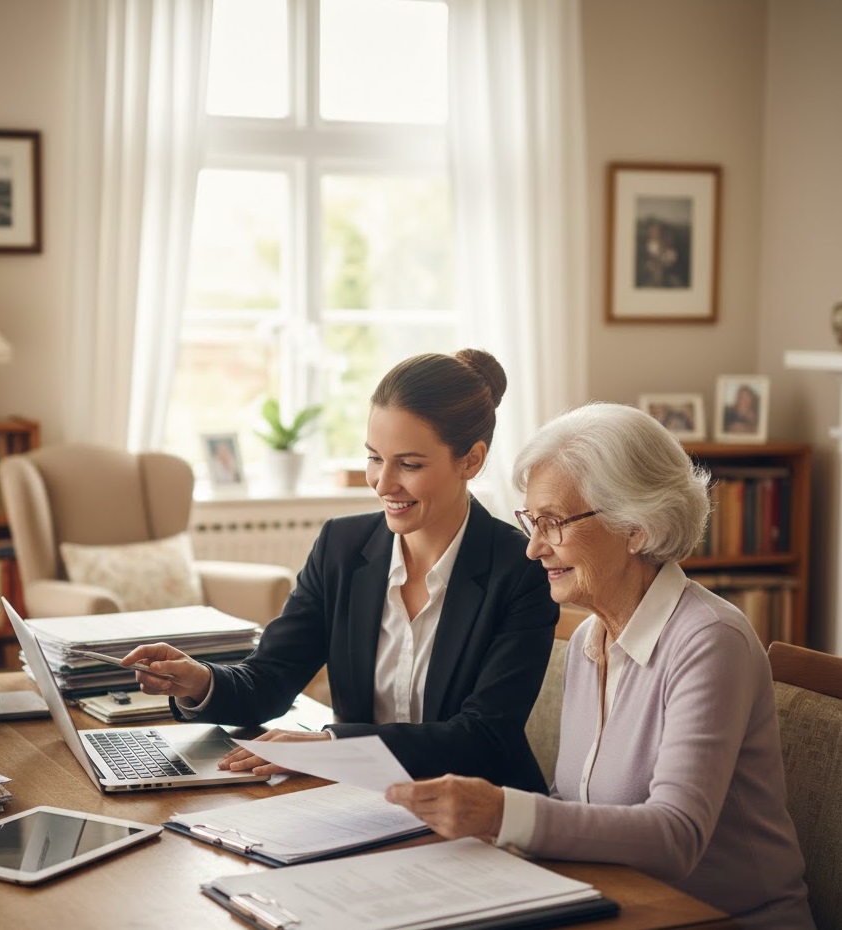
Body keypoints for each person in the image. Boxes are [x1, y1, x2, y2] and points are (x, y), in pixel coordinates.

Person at [386, 402, 813, 930]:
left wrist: (500, 812)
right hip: (616, 903)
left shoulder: (710, 640)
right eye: (531, 522)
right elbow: (575, 804)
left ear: (636, 526)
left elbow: (677, 836)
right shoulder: (590, 639)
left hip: (727, 918)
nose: (533, 548)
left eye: (552, 523)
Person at [122, 349, 558, 791]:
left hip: (477, 809)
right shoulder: (342, 547)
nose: (383, 484)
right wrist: (198, 681)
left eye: (409, 464)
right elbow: (271, 679)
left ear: (471, 460)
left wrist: (331, 745)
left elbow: (483, 736)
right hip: (358, 800)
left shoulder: (520, 570)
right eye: (374, 458)